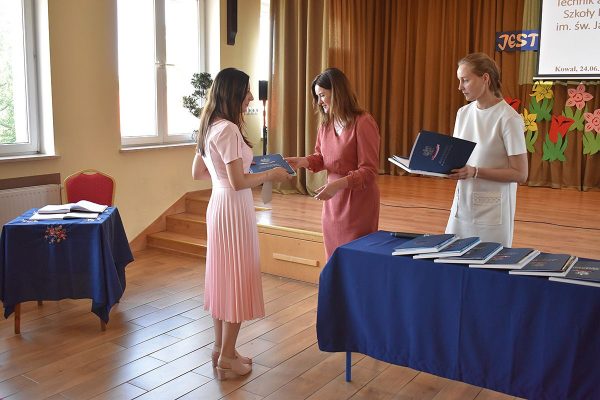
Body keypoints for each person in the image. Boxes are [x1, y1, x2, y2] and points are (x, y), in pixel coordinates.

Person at [192, 68, 291, 380]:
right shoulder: (230, 130)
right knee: (237, 277)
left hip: (218, 204)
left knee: (223, 278)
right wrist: (271, 174)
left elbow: (198, 172)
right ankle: (226, 357)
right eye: (246, 91)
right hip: (234, 208)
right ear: (233, 92)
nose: (250, 97)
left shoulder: (209, 126)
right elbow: (238, 182)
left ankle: (222, 349)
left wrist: (228, 173)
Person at [286, 68, 380, 259]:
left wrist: (337, 185)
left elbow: (369, 171)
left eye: (322, 95)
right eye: (317, 96)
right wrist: (302, 161)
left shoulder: (363, 122)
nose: (319, 102)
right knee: (333, 257)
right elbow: (321, 157)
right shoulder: (325, 124)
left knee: (355, 259)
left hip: (358, 202)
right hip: (332, 203)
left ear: (337, 93)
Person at [445, 53, 528, 247]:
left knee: (488, 261)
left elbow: (521, 174)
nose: (460, 87)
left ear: (485, 78)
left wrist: (475, 172)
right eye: (459, 80)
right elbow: (458, 159)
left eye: (465, 80)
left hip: (492, 213)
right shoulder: (463, 113)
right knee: (452, 255)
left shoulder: (509, 118)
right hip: (462, 206)